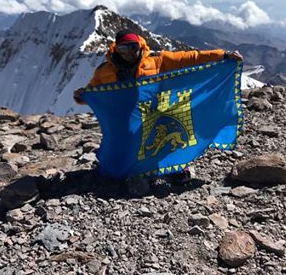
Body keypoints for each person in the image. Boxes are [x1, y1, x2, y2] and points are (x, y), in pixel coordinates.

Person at [73, 29, 243, 182]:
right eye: (123, 48)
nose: (129, 53)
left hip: (152, 112)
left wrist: (223, 56)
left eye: (133, 47)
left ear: (140, 45)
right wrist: (83, 96)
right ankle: (124, 171)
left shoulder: (156, 60)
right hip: (123, 117)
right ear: (116, 48)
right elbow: (94, 91)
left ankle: (171, 169)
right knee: (124, 145)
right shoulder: (104, 71)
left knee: (161, 140)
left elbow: (189, 58)